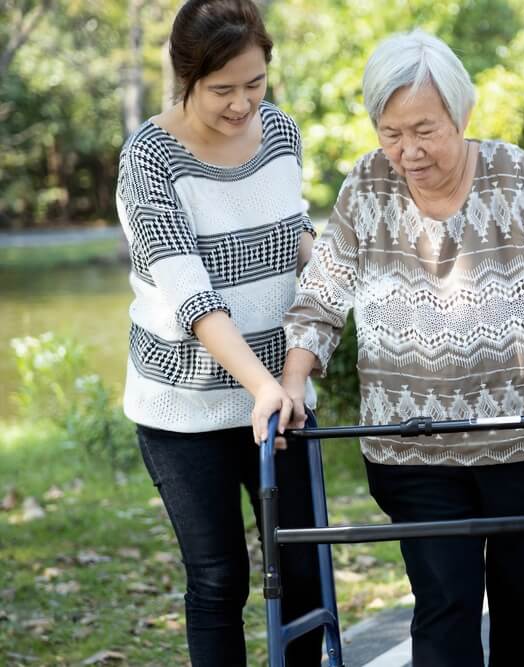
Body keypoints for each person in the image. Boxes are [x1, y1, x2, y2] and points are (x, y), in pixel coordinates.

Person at [271, 30, 524, 667]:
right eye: (390, 132)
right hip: (413, 449)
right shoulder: (367, 187)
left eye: (424, 129)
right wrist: (295, 379)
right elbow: (321, 295)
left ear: (462, 113)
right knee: (444, 610)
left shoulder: (517, 178)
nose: (408, 151)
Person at [115, 1, 322, 664]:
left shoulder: (282, 132)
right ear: (186, 76)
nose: (243, 105)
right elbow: (192, 297)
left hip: (280, 398)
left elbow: (293, 233)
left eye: (255, 84)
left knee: (305, 573)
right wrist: (263, 386)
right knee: (219, 578)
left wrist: (333, 272)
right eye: (223, 89)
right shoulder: (148, 159)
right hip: (187, 408)